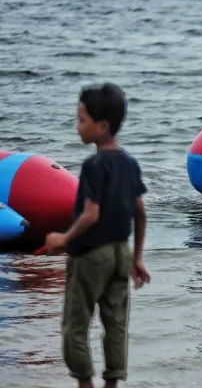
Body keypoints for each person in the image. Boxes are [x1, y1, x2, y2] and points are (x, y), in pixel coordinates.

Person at [44, 82, 151, 388]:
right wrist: (137, 257)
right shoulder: (130, 163)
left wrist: (63, 239)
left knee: (75, 326)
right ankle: (111, 384)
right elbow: (140, 212)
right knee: (115, 324)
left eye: (82, 121)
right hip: (121, 252)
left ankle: (85, 385)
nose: (77, 127)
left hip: (91, 256)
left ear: (102, 127)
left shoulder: (94, 165)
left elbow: (91, 215)